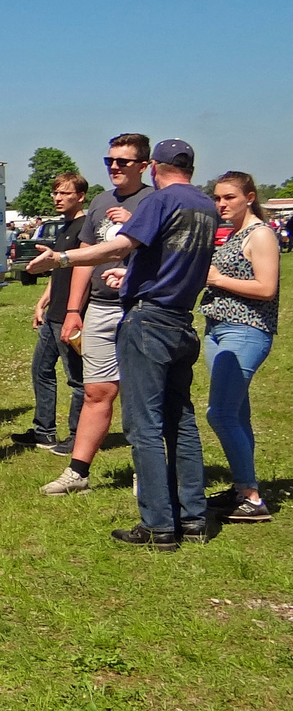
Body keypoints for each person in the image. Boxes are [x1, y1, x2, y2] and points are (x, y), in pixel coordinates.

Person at [28, 139, 218, 549]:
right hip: (182, 320)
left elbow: (120, 245)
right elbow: (173, 260)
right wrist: (129, 278)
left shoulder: (159, 200)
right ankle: (195, 517)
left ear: (153, 167)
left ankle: (158, 526)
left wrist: (61, 260)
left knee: (143, 425)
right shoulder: (205, 204)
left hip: (149, 321)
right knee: (181, 420)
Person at [37, 134, 154, 494]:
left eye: (123, 161)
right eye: (110, 161)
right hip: (100, 308)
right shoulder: (102, 202)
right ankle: (78, 473)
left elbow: (164, 254)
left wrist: (136, 222)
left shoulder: (154, 201)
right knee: (95, 391)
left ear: (144, 166)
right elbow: (84, 261)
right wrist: (74, 309)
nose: (115, 167)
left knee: (141, 393)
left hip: (138, 307)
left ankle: (146, 471)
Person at [199, 172, 280, 521]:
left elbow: (266, 288)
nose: (221, 205)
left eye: (229, 197)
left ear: (249, 197)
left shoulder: (261, 234)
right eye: (217, 198)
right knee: (237, 413)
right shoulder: (233, 234)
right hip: (218, 329)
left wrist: (217, 279)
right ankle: (243, 488)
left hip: (245, 330)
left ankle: (251, 497)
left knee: (220, 413)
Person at [13, 173, 89, 453]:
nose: (57, 198)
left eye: (65, 193)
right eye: (55, 193)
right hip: (52, 315)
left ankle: (78, 435)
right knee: (41, 370)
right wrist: (41, 302)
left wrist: (76, 311)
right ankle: (43, 431)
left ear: (80, 196)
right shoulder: (63, 228)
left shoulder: (85, 228)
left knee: (77, 378)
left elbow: (85, 270)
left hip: (73, 316)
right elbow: (58, 270)